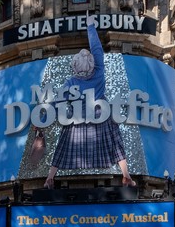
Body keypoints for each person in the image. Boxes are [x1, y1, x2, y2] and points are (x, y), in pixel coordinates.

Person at [43, 17, 134, 188]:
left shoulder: (71, 82)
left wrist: (40, 122)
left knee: (62, 145)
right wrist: (90, 26)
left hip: (78, 120)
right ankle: (126, 175)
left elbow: (56, 104)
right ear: (92, 64)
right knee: (115, 139)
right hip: (101, 115)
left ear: (75, 66)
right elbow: (97, 47)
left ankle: (50, 177)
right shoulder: (98, 70)